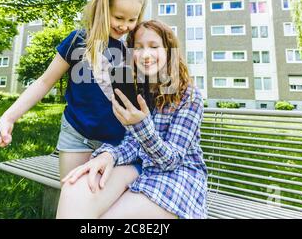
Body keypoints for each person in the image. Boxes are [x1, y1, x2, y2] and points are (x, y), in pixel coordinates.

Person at [0, 0, 147, 208]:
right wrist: (8, 117)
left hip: (115, 143)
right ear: (102, 8)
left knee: (102, 206)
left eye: (132, 20)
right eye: (119, 17)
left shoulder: (131, 52)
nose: (125, 26)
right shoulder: (78, 41)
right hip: (77, 136)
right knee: (72, 199)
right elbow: (44, 82)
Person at [59, 19, 208, 219]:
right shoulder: (137, 87)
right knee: (74, 190)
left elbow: (171, 160)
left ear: (169, 51)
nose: (145, 55)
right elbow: (132, 143)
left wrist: (141, 124)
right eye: (138, 48)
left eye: (154, 46)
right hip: (139, 165)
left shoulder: (189, 96)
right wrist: (109, 155)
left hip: (177, 174)